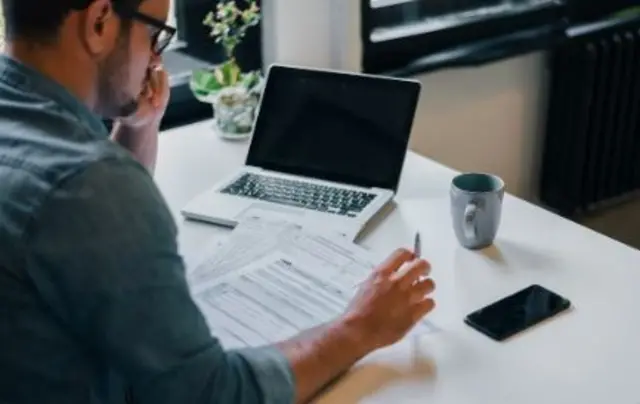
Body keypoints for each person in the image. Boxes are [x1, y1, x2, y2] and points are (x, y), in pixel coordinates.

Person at [0, 0, 437, 403]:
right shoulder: (90, 183)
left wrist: (138, 127)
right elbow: (213, 394)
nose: (157, 59)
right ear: (98, 23)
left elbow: (82, 230)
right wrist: (359, 327)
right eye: (155, 36)